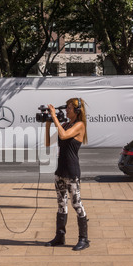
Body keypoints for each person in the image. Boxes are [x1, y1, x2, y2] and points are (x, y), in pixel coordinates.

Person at [44, 98, 90, 251]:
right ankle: (60, 236)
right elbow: (48, 143)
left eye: (69, 108)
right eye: (66, 108)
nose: (66, 111)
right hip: (60, 171)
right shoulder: (65, 125)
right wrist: (48, 123)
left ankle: (84, 239)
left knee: (76, 204)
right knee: (61, 204)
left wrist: (55, 117)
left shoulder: (79, 125)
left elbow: (64, 136)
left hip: (72, 172)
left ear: (77, 111)